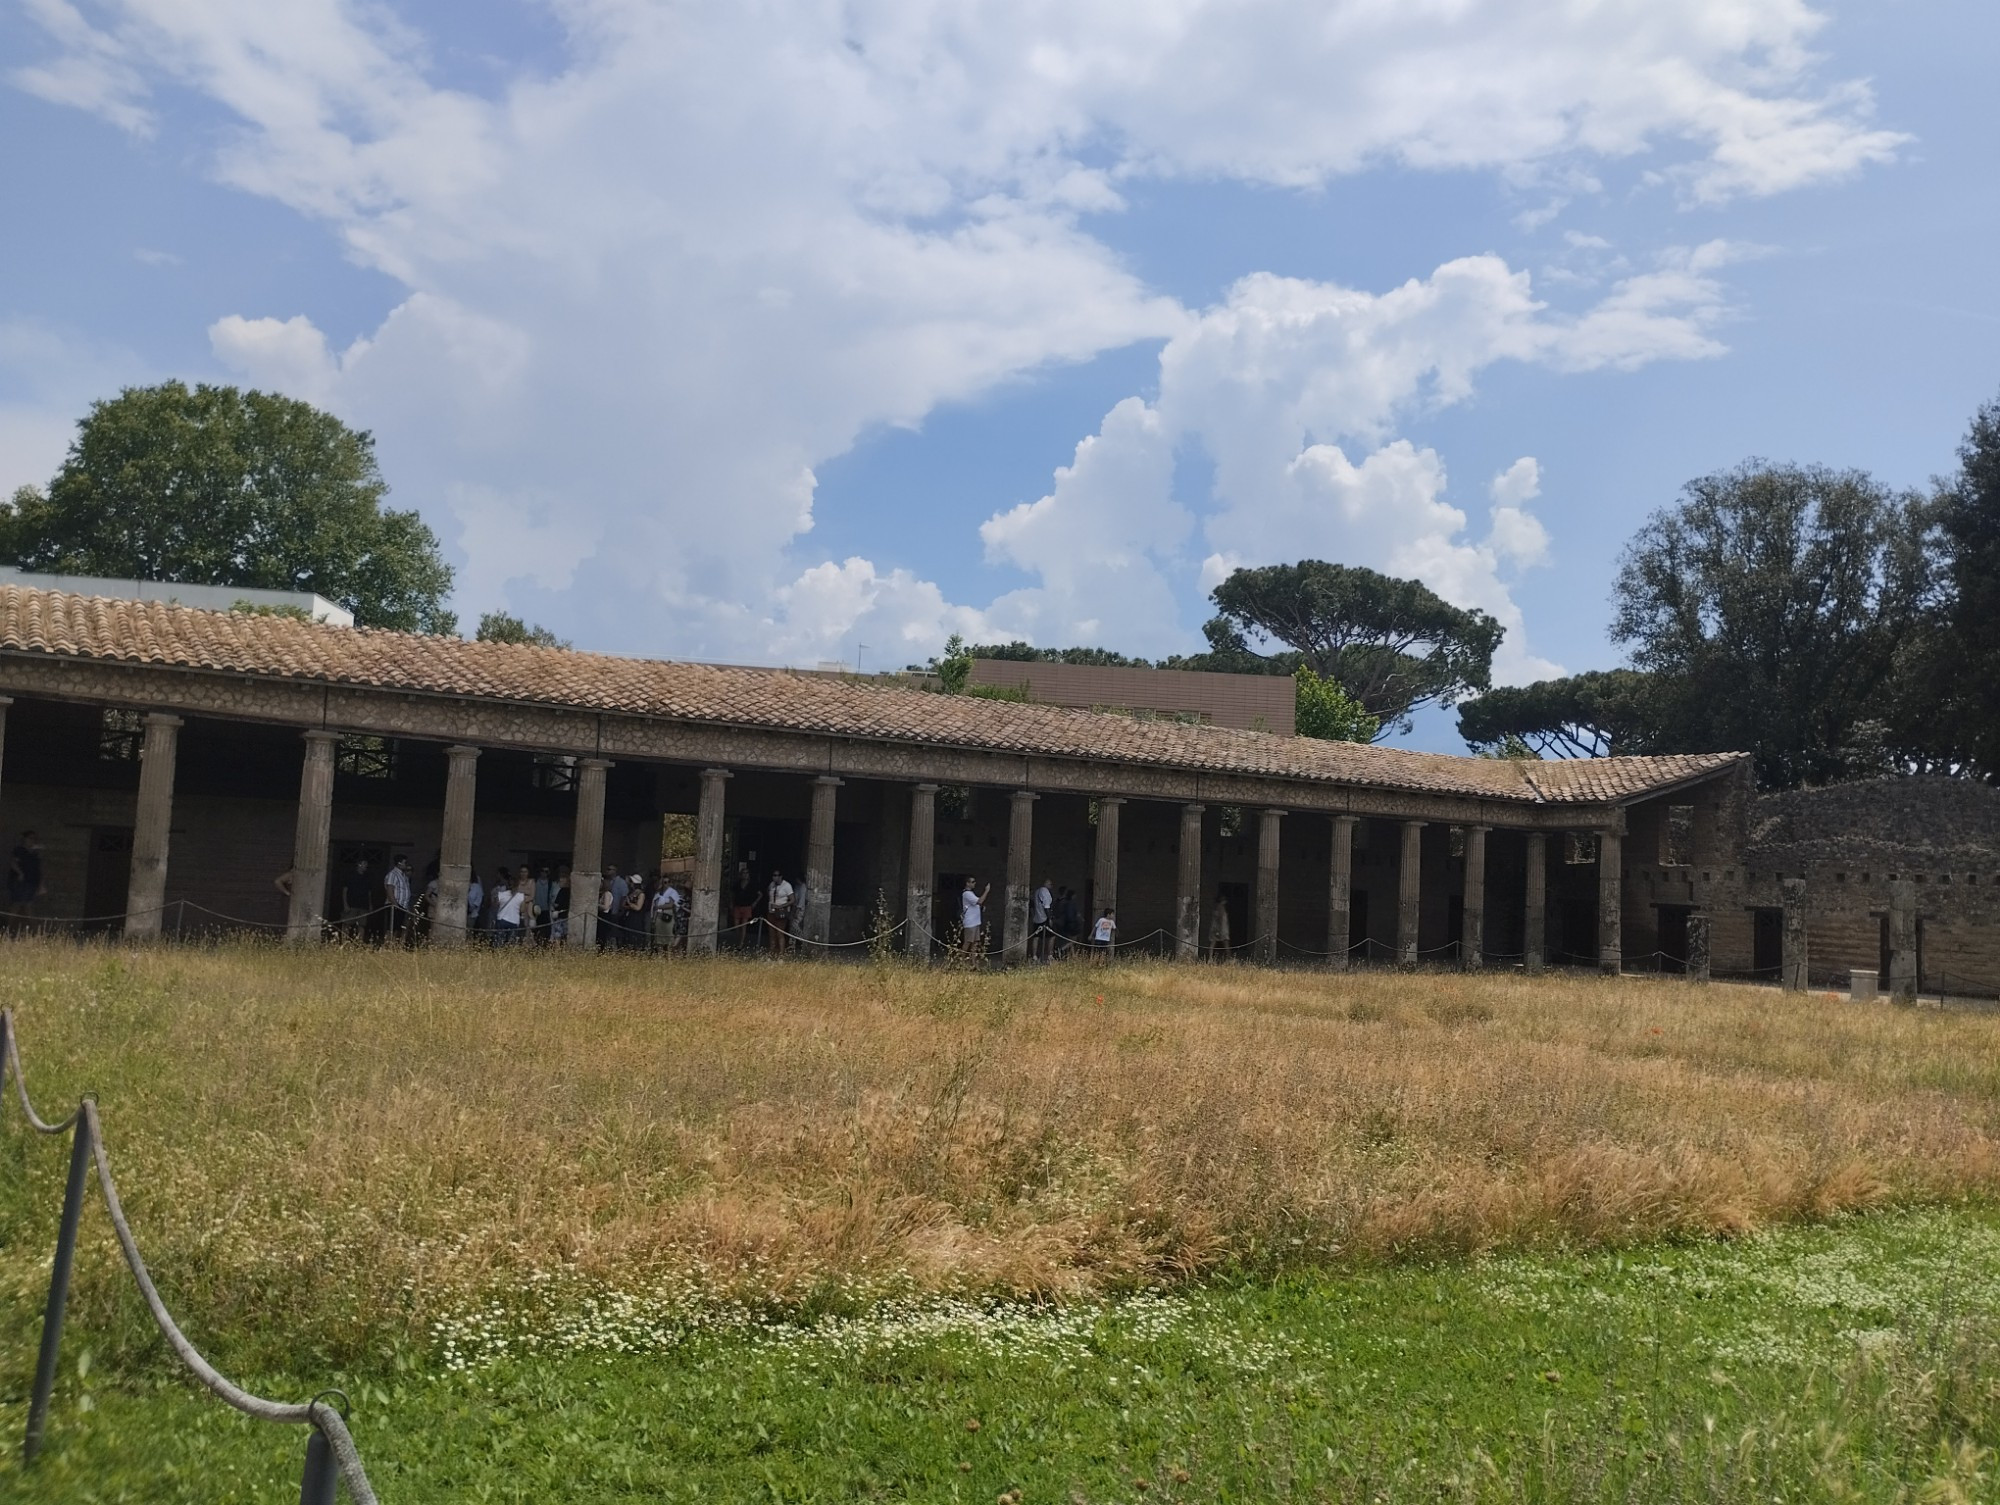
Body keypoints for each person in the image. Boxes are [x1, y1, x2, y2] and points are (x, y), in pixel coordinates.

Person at [6, 831, 42, 916]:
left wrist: (40, 883)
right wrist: (20, 873)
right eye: (30, 838)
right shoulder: (19, 850)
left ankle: (34, 927)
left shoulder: (35, 854)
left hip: (32, 882)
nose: (33, 840)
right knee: (18, 903)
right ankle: (7, 927)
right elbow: (13, 863)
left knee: (27, 904)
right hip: (20, 882)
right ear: (24, 839)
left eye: (34, 839)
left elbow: (38, 869)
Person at [340, 856, 374, 939]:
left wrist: (370, 904)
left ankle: (359, 943)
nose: (366, 865)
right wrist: (345, 904)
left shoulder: (367, 877)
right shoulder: (350, 875)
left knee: (362, 925)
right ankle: (344, 942)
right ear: (359, 864)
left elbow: (369, 892)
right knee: (347, 923)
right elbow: (345, 890)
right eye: (364, 863)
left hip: (363, 905)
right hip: (351, 904)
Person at [491, 871, 527, 944]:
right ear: (518, 885)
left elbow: (495, 905)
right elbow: (522, 910)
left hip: (501, 920)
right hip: (514, 921)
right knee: (511, 945)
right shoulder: (521, 896)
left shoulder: (501, 894)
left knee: (499, 943)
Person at [960, 875, 989, 960]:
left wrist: (981, 907)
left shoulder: (971, 893)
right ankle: (961, 962)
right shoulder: (966, 894)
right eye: (972, 882)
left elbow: (976, 904)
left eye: (974, 882)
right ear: (967, 883)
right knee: (968, 942)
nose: (974, 883)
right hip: (970, 922)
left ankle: (973, 964)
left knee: (975, 943)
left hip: (976, 922)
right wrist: (986, 891)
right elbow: (979, 901)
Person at [730, 862, 759, 948]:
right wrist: (731, 903)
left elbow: (760, 894)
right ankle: (738, 938)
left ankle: (741, 943)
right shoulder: (737, 884)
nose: (745, 875)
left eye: (747, 873)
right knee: (736, 925)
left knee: (743, 925)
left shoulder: (752, 885)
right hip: (737, 906)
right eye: (743, 873)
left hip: (747, 906)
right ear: (741, 874)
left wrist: (754, 903)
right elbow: (732, 893)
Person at [385, 856, 413, 944]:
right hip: (395, 904)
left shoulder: (403, 875)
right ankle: (388, 943)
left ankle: (394, 944)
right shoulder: (393, 874)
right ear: (399, 863)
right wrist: (395, 904)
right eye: (404, 862)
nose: (405, 864)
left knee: (397, 927)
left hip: (403, 905)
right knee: (391, 927)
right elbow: (390, 889)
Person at [766, 868, 794, 955]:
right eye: (773, 875)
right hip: (771, 912)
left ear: (780, 876)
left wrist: (780, 906)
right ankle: (772, 951)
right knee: (771, 933)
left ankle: (781, 953)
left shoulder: (787, 886)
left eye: (776, 875)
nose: (774, 878)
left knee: (780, 933)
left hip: (780, 911)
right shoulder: (772, 885)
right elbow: (768, 893)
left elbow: (792, 900)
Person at [651, 875, 682, 952]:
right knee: (659, 938)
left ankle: (669, 958)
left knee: (669, 937)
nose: (666, 884)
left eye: (668, 882)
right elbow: (655, 904)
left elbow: (671, 904)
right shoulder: (658, 892)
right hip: (658, 916)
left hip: (668, 916)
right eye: (665, 882)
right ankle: (660, 956)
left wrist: (659, 907)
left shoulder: (672, 892)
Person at [1031, 875, 1054, 961]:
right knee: (1052, 936)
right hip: (1044, 917)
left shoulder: (1037, 891)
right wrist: (1050, 918)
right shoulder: (1045, 891)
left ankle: (1034, 955)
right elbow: (1046, 906)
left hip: (1037, 917)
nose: (1051, 886)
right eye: (1050, 884)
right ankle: (1049, 955)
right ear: (1046, 883)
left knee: (1036, 937)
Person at [1208, 889, 1232, 962]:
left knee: (1212, 943)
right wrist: (1220, 930)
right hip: (1221, 928)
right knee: (1226, 944)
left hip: (1214, 927)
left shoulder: (1216, 907)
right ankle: (1229, 959)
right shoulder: (1221, 907)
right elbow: (1221, 919)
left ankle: (1210, 958)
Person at [551, 866, 571, 945]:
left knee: (558, 935)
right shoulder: (571, 891)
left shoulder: (563, 891)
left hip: (561, 916)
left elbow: (557, 904)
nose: (560, 881)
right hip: (568, 916)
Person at [465, 870, 485, 939]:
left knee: (469, 931)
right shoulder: (464, 886)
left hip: (472, 913)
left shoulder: (477, 887)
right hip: (462, 912)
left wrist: (472, 907)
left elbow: (479, 898)